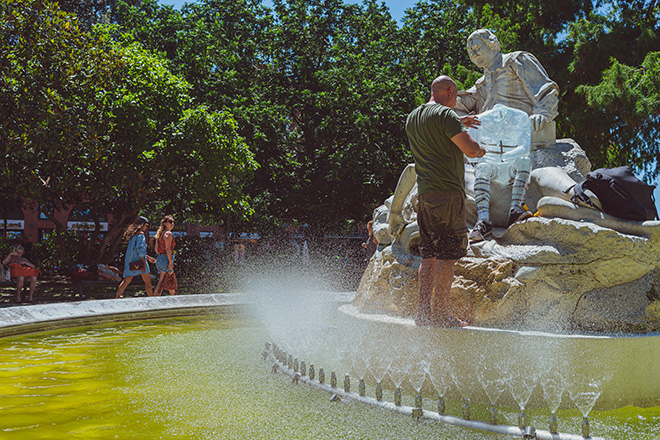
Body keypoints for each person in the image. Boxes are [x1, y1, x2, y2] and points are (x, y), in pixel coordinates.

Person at [404, 75, 486, 327]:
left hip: (426, 194)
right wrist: (483, 150)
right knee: (447, 256)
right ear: (451, 91)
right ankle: (440, 314)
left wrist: (459, 122)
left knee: (428, 256)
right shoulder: (446, 115)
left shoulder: (413, 117)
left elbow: (436, 128)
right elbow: (471, 150)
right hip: (448, 194)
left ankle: (423, 313)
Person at [455, 29, 559, 144]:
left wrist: (543, 114)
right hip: (491, 139)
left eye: (477, 48)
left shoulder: (516, 60)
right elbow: (461, 102)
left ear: (492, 44)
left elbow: (544, 88)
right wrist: (438, 102)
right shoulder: (482, 83)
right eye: (470, 52)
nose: (473, 54)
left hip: (521, 133)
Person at [466, 104, 535, 241]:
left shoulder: (521, 117)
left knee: (525, 161)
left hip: (510, 166)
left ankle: (515, 209)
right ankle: (483, 220)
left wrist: (503, 157)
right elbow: (470, 155)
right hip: (490, 166)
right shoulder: (479, 120)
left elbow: (525, 147)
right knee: (482, 168)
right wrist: (490, 158)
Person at [115, 216, 156, 298]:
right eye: (146, 225)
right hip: (140, 262)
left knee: (126, 281)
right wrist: (144, 263)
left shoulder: (132, 235)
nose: (146, 227)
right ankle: (152, 299)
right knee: (148, 282)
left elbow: (136, 250)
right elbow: (141, 251)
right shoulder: (141, 236)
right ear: (142, 225)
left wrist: (148, 258)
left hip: (130, 262)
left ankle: (116, 298)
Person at [153, 215, 177, 296]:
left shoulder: (159, 234)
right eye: (170, 222)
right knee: (167, 281)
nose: (172, 223)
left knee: (164, 281)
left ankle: (155, 300)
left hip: (160, 258)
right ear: (165, 223)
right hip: (166, 259)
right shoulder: (168, 233)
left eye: (173, 222)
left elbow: (156, 250)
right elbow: (168, 249)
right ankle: (175, 301)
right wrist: (170, 262)